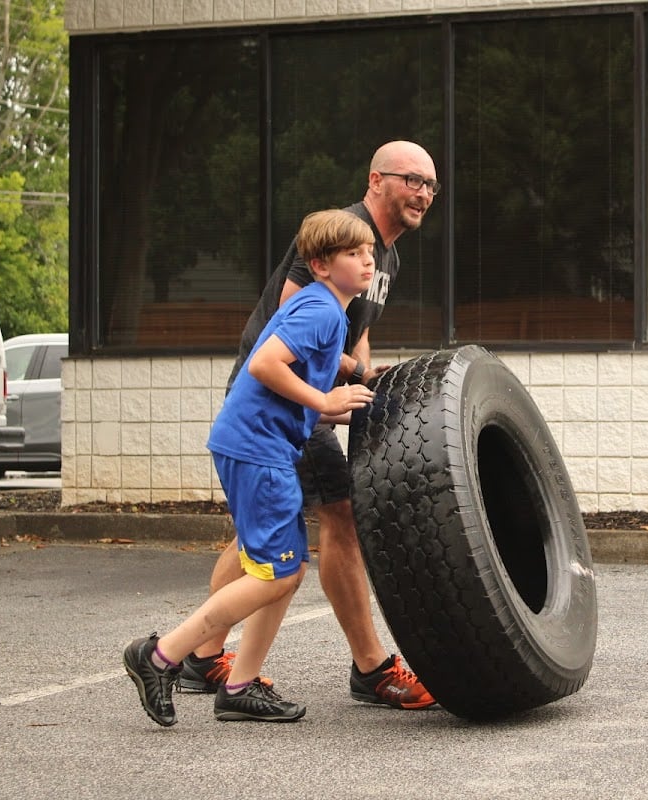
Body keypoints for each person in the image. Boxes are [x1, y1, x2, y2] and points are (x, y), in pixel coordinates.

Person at [175, 141, 440, 710]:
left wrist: (364, 369)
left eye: (430, 186)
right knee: (339, 513)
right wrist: (326, 393)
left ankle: (201, 655)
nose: (423, 193)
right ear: (376, 180)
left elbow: (352, 328)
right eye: (412, 180)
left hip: (301, 401)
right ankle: (371, 668)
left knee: (262, 534)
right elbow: (295, 324)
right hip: (282, 399)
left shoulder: (382, 257)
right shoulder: (340, 235)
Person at [123, 209, 379, 726]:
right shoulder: (323, 311)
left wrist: (329, 396)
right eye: (354, 253)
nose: (368, 260)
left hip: (261, 446)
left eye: (369, 251)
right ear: (321, 265)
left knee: (284, 568)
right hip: (258, 448)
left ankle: (240, 684)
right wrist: (323, 402)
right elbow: (265, 365)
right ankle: (159, 656)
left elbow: (283, 369)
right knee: (276, 572)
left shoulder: (325, 307)